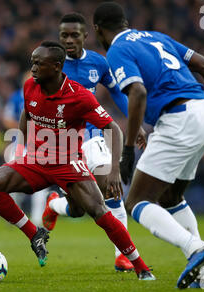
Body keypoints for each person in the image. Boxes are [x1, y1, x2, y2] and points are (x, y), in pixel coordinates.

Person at [93, 2, 204, 289]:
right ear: (125, 21)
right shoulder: (156, 36)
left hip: (178, 118)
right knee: (170, 197)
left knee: (136, 202)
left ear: (97, 30)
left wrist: (129, 148)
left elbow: (138, 92)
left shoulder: (118, 50)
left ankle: (195, 248)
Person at [0, 40, 155, 280]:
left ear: (55, 66)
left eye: (38, 63)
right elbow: (27, 112)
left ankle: (140, 266)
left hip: (68, 164)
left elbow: (112, 128)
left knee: (97, 211)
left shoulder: (79, 96)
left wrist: (114, 169)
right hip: (36, 160)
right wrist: (21, 148)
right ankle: (35, 234)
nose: (32, 68)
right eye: (32, 62)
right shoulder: (30, 86)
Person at [41, 12, 146, 273]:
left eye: (74, 35)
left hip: (91, 137)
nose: (69, 40)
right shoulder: (51, 65)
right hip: (62, 142)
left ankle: (122, 255)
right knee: (78, 209)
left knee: (111, 189)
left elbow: (119, 93)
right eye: (64, 35)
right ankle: (54, 204)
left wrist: (137, 123)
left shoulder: (98, 64)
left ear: (85, 36)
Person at [2, 70, 51, 226]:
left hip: (40, 147)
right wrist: (23, 126)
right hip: (20, 145)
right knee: (13, 182)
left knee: (41, 185)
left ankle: (37, 220)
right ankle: (14, 216)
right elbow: (7, 119)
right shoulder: (17, 97)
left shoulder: (47, 95)